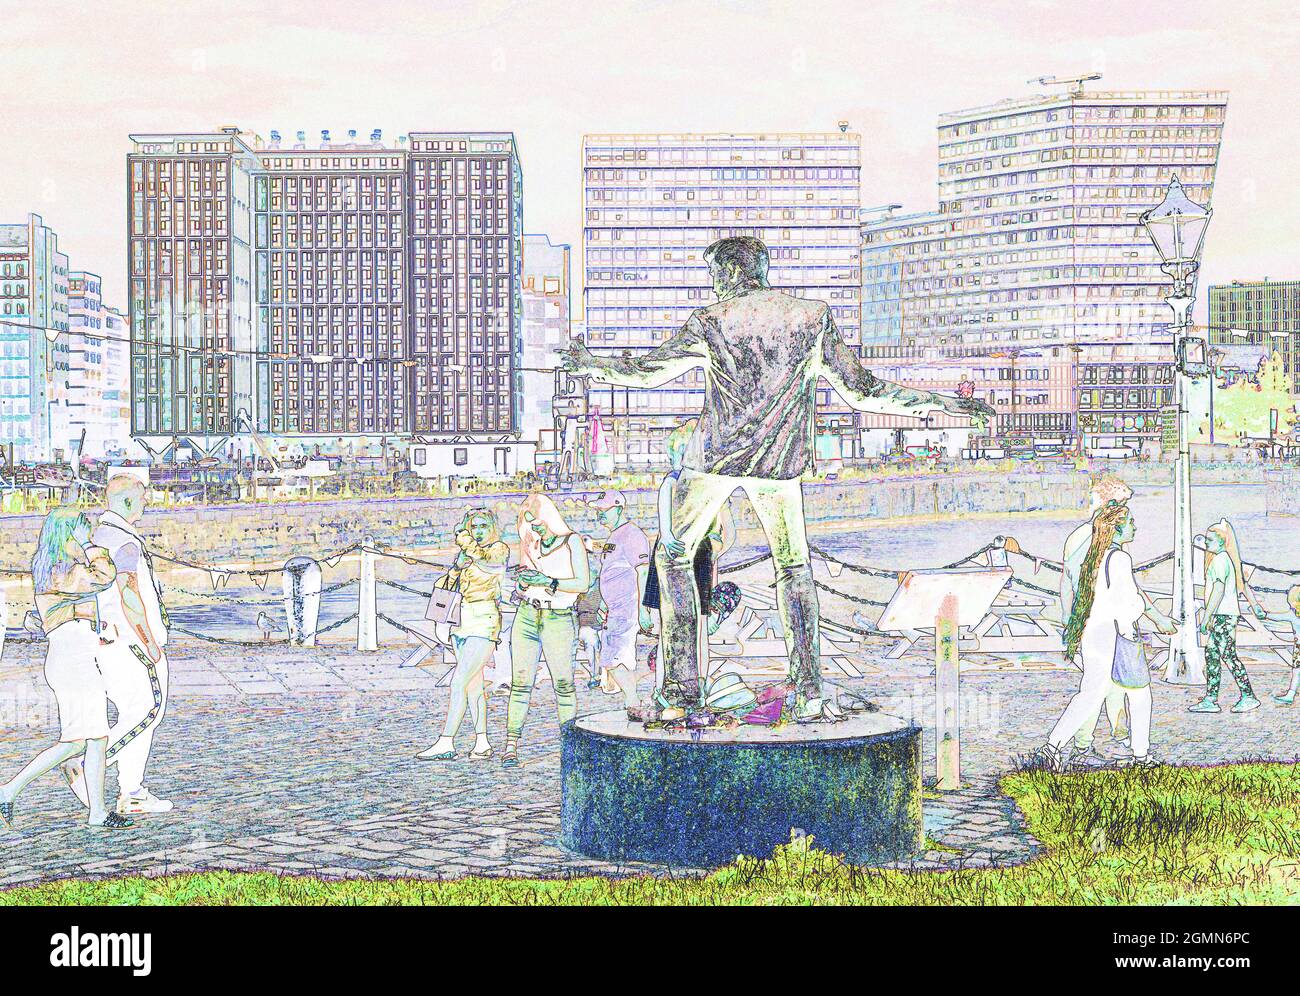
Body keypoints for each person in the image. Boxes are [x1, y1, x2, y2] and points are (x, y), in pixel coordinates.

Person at [563, 235, 992, 721]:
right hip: (779, 463)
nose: (715, 285)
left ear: (727, 272)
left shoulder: (711, 321)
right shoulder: (811, 316)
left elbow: (647, 372)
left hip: (716, 457)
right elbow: (864, 391)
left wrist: (591, 365)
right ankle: (809, 690)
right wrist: (946, 405)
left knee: (675, 554)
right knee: (793, 565)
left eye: (715, 276)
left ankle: (680, 692)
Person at [0, 509, 132, 830]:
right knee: (82, 740)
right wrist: (89, 545)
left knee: (87, 740)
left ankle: (95, 810)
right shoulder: (64, 570)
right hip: (73, 663)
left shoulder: (54, 569)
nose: (87, 537)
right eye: (81, 531)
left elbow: (65, 611)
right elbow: (104, 576)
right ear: (67, 534)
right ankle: (9, 791)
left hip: (73, 659)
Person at [60, 476, 171, 817]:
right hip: (131, 643)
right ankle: (91, 765)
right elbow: (129, 593)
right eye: (141, 499)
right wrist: (149, 640)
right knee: (148, 710)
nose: (145, 504)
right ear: (126, 503)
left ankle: (132, 792)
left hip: (106, 639)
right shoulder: (125, 543)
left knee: (136, 711)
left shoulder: (97, 538)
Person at [1043, 501, 1175, 770]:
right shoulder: (1120, 559)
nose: (1135, 527)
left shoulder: (1096, 556)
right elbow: (1128, 601)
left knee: (1091, 694)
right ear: (1116, 529)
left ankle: (1054, 746)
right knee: (1138, 694)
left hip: (1094, 633)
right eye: (1130, 523)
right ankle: (1140, 755)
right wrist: (1150, 616)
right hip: (1115, 635)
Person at [503, 494, 590, 767]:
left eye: (538, 522)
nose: (535, 528)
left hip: (559, 617)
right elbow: (523, 586)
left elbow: (583, 583)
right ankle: (511, 744)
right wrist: (522, 584)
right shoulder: (533, 544)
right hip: (527, 613)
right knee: (520, 683)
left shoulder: (572, 541)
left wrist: (547, 580)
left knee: (564, 684)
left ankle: (569, 745)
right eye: (530, 524)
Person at [416, 508, 510, 761]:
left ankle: (446, 741)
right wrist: (456, 569)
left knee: (458, 681)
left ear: (492, 528)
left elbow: (487, 561)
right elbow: (448, 585)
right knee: (473, 685)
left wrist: (464, 540)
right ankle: (482, 742)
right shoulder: (467, 554)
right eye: (473, 527)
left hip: (484, 620)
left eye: (482, 526)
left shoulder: (498, 549)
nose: (477, 532)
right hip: (461, 620)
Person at [1059, 477, 1133, 758]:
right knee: (1098, 687)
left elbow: (1069, 582)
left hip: (1086, 621)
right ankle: (1081, 744)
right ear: (1110, 504)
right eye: (1123, 504)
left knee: (1108, 684)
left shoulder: (1082, 535)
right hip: (1096, 623)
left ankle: (1118, 734)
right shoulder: (1098, 537)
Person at [586, 490, 651, 718]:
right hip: (615, 607)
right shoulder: (615, 536)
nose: (600, 515)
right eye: (598, 511)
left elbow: (643, 572)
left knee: (613, 656)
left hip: (628, 606)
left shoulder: (632, 535)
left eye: (605, 510)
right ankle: (632, 701)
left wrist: (643, 609)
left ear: (619, 508)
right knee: (616, 655)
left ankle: (632, 701)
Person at [1191, 519, 1265, 714]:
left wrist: (1207, 618)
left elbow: (1218, 590)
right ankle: (1211, 699)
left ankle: (1248, 696)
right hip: (1224, 615)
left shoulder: (1219, 561)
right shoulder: (1226, 560)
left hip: (1222, 615)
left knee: (1228, 655)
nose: (1206, 543)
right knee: (1213, 654)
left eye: (1209, 540)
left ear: (1222, 542)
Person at [1262, 585, 1300, 705]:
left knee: (1297, 672)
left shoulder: (1292, 614)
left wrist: (1264, 614)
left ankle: (1290, 695)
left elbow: (1276, 617)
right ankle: (1290, 694)